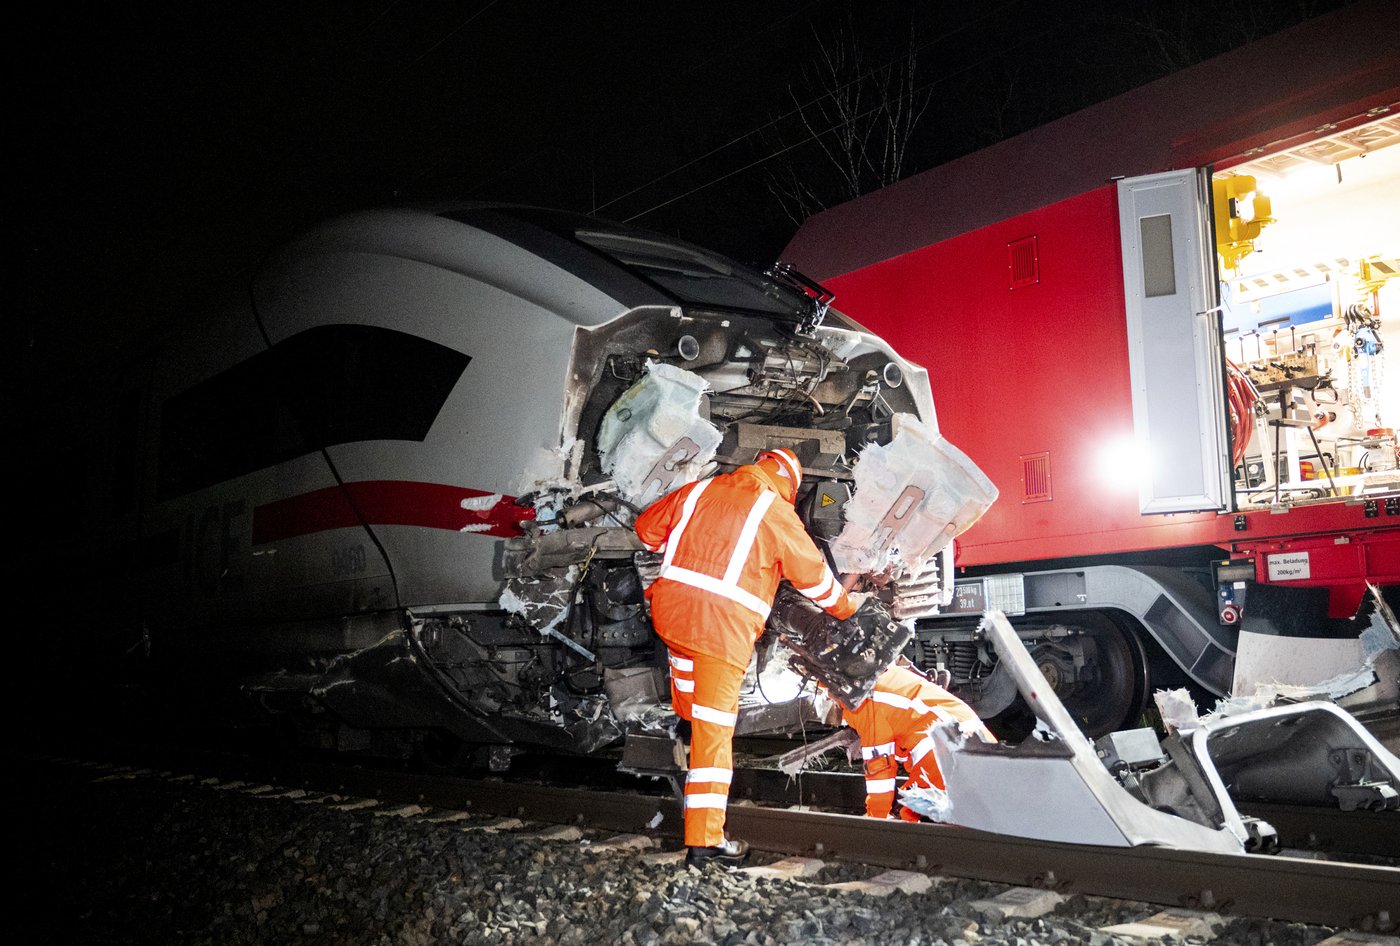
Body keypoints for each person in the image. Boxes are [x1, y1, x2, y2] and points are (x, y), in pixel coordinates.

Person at [634, 447, 858, 867]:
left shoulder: (700, 490)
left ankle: (685, 723)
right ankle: (705, 843)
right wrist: (848, 611)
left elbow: (645, 530)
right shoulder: (775, 511)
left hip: (671, 617)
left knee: (687, 681)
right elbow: (814, 579)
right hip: (719, 633)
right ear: (789, 485)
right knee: (714, 736)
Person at [838, 659, 996, 821]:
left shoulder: (866, 704)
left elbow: (879, 771)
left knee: (910, 818)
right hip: (982, 747)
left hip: (949, 758)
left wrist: (875, 819)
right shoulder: (892, 677)